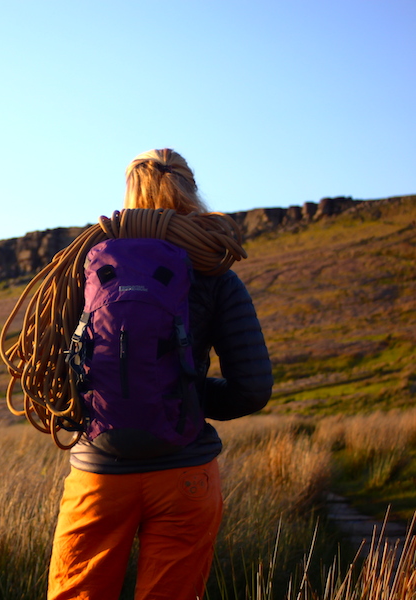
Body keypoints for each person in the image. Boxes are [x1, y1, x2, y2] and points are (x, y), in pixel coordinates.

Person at [47, 148, 273, 600]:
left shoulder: (88, 268)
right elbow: (252, 389)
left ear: (130, 194)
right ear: (191, 189)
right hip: (184, 473)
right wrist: (178, 396)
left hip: (99, 472)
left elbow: (58, 374)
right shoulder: (216, 273)